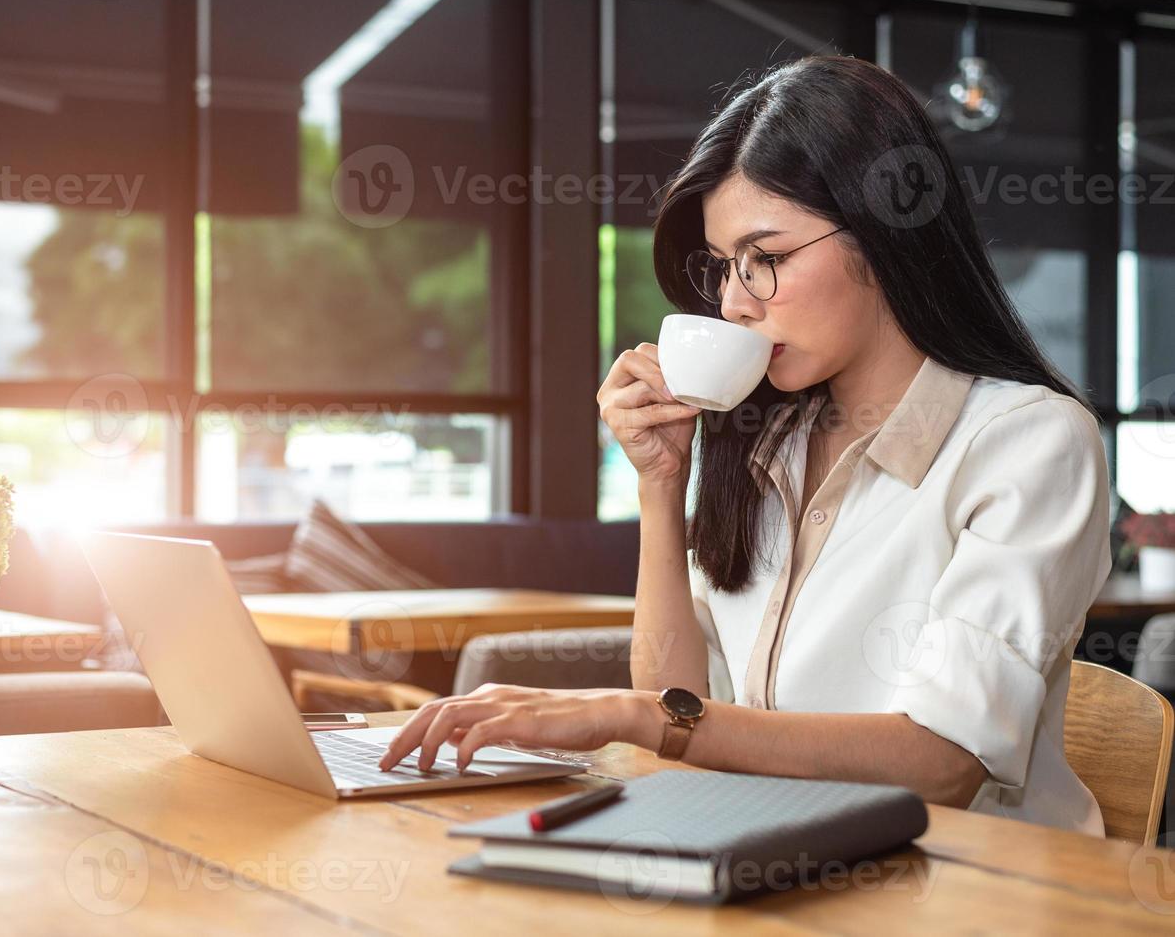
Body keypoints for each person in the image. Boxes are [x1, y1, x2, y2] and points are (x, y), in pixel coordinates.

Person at [377, 55, 1111, 835]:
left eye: (765, 259)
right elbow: (684, 698)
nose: (733, 301)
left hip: (973, 890)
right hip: (781, 858)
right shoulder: (771, 446)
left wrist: (628, 717)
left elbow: (942, 762)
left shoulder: (1029, 441)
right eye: (726, 267)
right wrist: (661, 485)